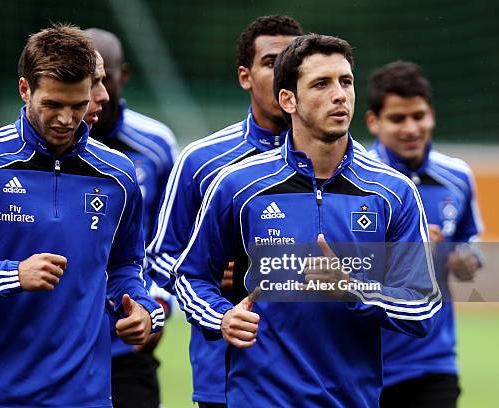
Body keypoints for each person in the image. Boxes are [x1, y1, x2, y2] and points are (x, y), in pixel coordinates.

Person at [0, 24, 164, 407]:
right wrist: (11, 275)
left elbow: (126, 267)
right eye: (53, 105)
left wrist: (143, 309)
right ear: (25, 90)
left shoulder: (117, 174)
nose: (66, 120)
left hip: (84, 397)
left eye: (78, 105)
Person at [173, 33, 441, 407]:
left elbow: (423, 306)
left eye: (345, 82)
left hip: (351, 399)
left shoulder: (392, 192)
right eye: (321, 84)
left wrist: (354, 290)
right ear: (289, 100)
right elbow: (191, 275)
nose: (340, 95)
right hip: (258, 397)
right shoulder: (237, 186)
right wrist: (221, 317)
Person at [146, 15, 302, 407]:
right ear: (245, 76)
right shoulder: (202, 161)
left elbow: (387, 273)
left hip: (322, 376)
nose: (284, 72)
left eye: (294, 62)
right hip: (228, 374)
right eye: (271, 62)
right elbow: (163, 257)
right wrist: (213, 275)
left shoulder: (349, 165)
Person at [365, 61, 483, 408]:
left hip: (434, 363)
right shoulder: (358, 182)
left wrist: (468, 259)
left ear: (431, 114)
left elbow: (470, 238)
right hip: (368, 364)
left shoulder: (457, 176)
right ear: (374, 122)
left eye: (419, 115)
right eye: (397, 118)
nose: (411, 128)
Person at [83, 28, 178, 408]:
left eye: (104, 78)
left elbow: (172, 235)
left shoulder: (155, 145)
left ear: (123, 76)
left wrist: (158, 305)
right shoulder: (39, 147)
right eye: (86, 79)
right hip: (52, 343)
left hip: (129, 341)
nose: (96, 91)